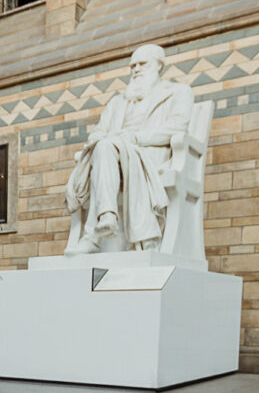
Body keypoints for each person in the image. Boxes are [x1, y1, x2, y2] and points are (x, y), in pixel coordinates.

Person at [65, 43, 194, 253]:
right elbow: (97, 132)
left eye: (142, 64)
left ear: (159, 66)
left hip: (149, 154)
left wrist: (135, 138)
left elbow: (177, 126)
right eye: (132, 66)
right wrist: (109, 141)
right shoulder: (118, 102)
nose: (136, 70)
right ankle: (106, 217)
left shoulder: (178, 92)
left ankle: (94, 236)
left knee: (105, 147)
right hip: (113, 153)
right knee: (104, 145)